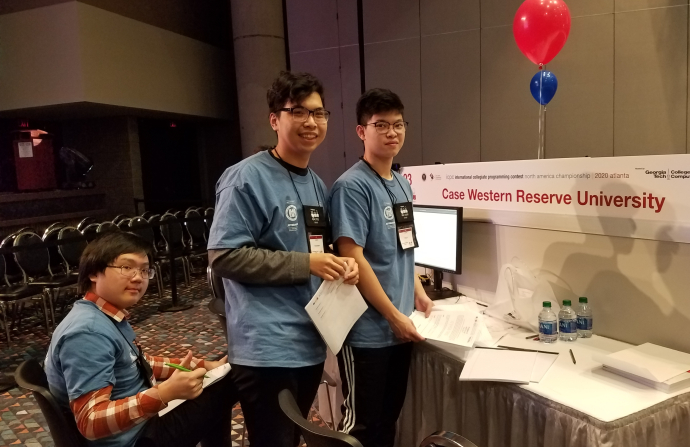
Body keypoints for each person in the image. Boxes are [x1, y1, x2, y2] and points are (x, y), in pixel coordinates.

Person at [207, 70, 359, 447]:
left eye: (319, 113)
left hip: (307, 339)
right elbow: (223, 257)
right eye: (299, 112)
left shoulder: (316, 183)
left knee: (290, 438)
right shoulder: (245, 178)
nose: (311, 122)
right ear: (275, 119)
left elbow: (314, 249)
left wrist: (342, 263)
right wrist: (306, 264)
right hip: (266, 347)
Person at [44, 231, 237, 447]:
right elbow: (91, 422)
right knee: (235, 377)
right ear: (93, 272)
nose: (138, 277)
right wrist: (164, 393)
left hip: (141, 426)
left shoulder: (100, 315)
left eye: (144, 270)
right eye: (126, 267)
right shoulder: (88, 333)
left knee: (220, 376)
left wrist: (204, 365)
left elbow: (135, 363)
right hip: (136, 439)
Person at [329, 88, 434, 447]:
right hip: (368, 331)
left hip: (400, 326)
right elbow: (353, 257)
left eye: (399, 125)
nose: (392, 132)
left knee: (388, 420)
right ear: (362, 131)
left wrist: (418, 292)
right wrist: (392, 315)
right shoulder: (352, 187)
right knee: (359, 426)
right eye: (382, 125)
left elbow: (405, 246)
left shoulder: (402, 183)